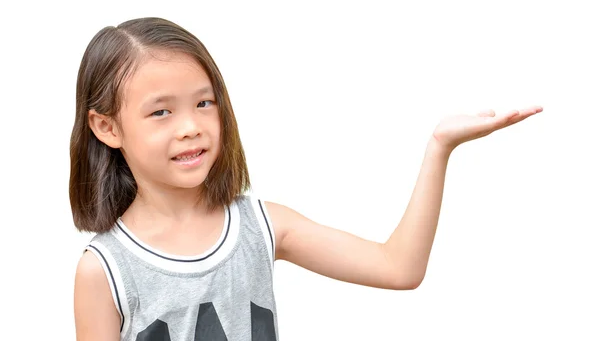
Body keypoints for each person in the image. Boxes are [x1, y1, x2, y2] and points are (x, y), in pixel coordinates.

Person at [71, 17, 543, 341]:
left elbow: (399, 268)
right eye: (161, 111)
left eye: (204, 102)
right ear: (107, 127)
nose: (191, 125)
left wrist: (440, 147)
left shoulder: (262, 226)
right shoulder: (105, 269)